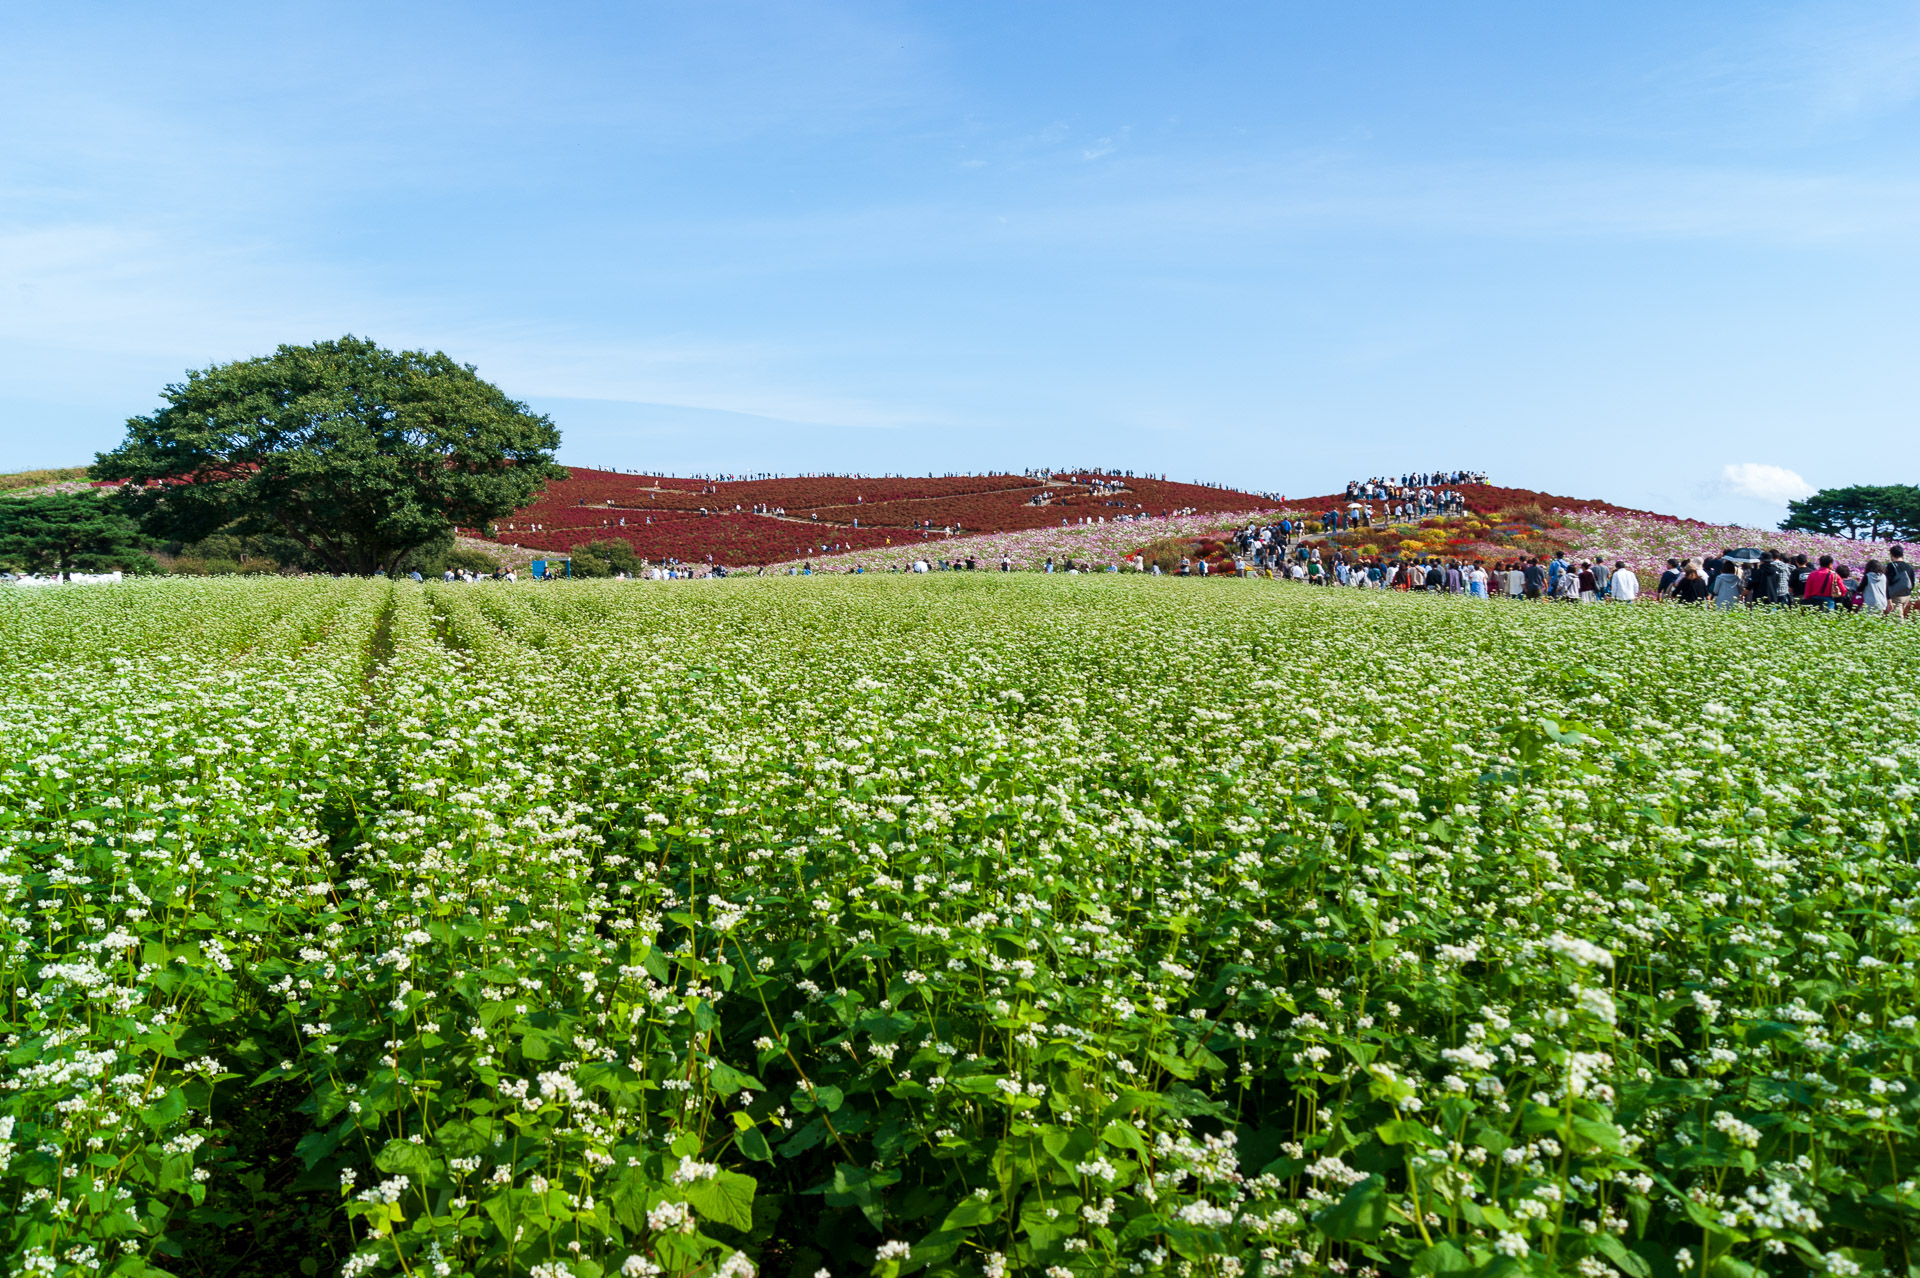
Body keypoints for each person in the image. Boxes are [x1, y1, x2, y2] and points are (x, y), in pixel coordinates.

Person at [1886, 545, 1914, 617]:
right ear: (1902, 555)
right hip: (1907, 596)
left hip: (1896, 597)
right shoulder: (1908, 566)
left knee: (1897, 620)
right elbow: (1912, 583)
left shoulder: (1891, 566)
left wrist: (1889, 599)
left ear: (1891, 555)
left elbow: (1887, 583)